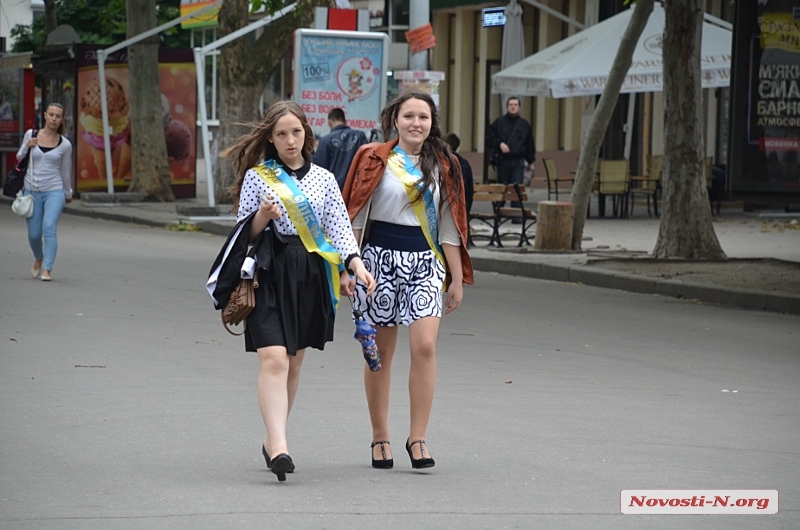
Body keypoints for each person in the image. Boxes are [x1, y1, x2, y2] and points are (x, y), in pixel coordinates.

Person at [221, 101, 376, 482]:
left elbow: (339, 228)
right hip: (270, 270)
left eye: (296, 131)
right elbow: (243, 233)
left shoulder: (323, 179)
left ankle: (274, 439)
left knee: (293, 361)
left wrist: (354, 265)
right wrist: (263, 216)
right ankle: (280, 445)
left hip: (310, 272)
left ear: (307, 132)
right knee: (273, 358)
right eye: (281, 134)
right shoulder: (260, 177)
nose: (290, 140)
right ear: (270, 140)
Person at [341, 91, 474, 470]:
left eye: (424, 117)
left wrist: (456, 278)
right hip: (376, 262)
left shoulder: (445, 163)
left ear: (433, 123)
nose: (417, 123)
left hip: (425, 263)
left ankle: (418, 438)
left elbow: (450, 224)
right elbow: (351, 213)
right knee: (380, 352)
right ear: (394, 119)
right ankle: (380, 437)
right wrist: (346, 266)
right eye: (409, 115)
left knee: (425, 346)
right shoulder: (372, 157)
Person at [17, 103, 74, 282]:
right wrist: (28, 145)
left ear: (61, 119)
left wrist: (68, 193)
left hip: (54, 191)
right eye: (51, 115)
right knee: (34, 234)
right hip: (31, 191)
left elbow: (65, 172)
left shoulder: (65, 145)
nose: (54, 119)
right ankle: (38, 257)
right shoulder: (31, 134)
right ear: (45, 115)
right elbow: (19, 157)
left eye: (58, 116)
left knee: (49, 227)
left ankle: (47, 269)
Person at [485, 96, 536, 216]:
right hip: (504, 160)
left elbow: (529, 143)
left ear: (519, 107)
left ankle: (516, 214)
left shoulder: (524, 124)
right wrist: (500, 144)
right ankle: (498, 211)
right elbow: (489, 139)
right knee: (502, 186)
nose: (513, 107)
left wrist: (530, 160)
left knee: (516, 187)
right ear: (507, 107)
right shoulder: (499, 123)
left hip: (518, 160)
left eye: (515, 105)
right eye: (511, 105)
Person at [313, 107, 368, 190]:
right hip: (355, 190)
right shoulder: (360, 136)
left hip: (333, 191)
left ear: (329, 122)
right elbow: (367, 163)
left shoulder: (325, 141)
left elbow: (320, 169)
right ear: (345, 122)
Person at [444, 133, 474, 216]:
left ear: (448, 146)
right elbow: (469, 190)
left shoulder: (444, 162)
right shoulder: (464, 163)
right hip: (461, 206)